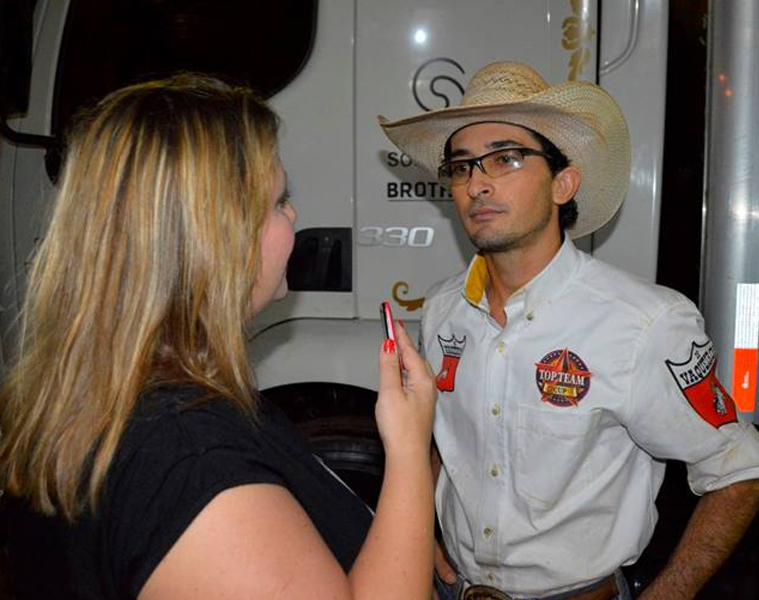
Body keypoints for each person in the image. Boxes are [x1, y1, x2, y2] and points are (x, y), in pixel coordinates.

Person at [0, 75, 437, 600]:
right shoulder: (193, 460)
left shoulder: (127, 394)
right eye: (280, 201)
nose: (294, 215)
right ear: (216, 237)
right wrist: (410, 446)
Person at [379, 61, 759, 600]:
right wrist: (419, 534)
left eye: (506, 158)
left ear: (563, 184)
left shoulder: (643, 323)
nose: (477, 183)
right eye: (461, 167)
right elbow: (447, 441)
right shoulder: (443, 311)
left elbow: (738, 470)